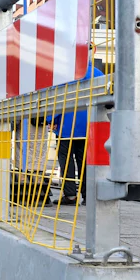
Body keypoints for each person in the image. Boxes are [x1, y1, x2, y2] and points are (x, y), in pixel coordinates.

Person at [50, 65, 104, 205]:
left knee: (66, 160)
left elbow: (58, 97)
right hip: (89, 126)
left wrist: (51, 119)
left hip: (67, 125)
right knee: (85, 161)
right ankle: (88, 196)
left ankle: (70, 195)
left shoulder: (65, 72)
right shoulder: (97, 73)